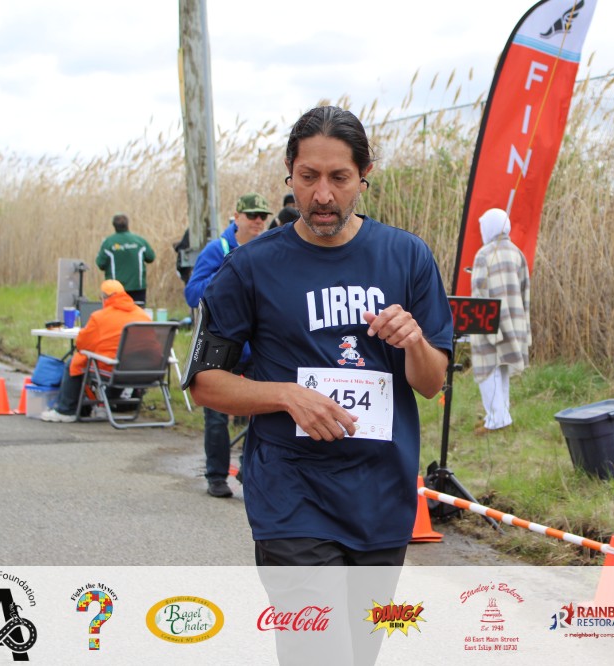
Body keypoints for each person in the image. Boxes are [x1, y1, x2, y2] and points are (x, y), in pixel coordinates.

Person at [185, 106, 452, 663]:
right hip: (291, 498)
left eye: (339, 177)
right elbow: (204, 384)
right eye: (308, 177)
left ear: (364, 174)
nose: (322, 195)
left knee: (358, 654)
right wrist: (285, 394)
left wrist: (415, 343)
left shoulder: (407, 257)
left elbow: (432, 383)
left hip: (380, 499)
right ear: (290, 172)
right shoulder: (250, 267)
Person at [184, 192, 272, 498]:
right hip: (222, 346)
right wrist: (230, 280)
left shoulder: (268, 249)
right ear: (236, 217)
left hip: (257, 348)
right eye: (252, 215)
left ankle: (249, 472)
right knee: (216, 416)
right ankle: (216, 476)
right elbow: (192, 293)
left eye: (263, 216)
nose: (258, 221)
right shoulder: (217, 249)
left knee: (263, 412)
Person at [41, 280, 151, 423]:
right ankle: (104, 405)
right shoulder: (142, 315)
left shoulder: (99, 317)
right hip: (145, 370)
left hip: (112, 369)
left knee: (74, 362)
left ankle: (66, 410)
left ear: (104, 298)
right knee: (117, 365)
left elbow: (82, 344)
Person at [470, 208, 531, 434]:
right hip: (514, 321)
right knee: (502, 368)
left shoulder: (484, 254)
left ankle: (496, 420)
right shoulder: (517, 253)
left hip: (489, 322)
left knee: (488, 369)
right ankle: (500, 415)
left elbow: (479, 292)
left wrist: (479, 327)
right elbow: (525, 290)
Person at [95, 213, 156, 303]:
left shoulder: (108, 243)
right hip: (137, 287)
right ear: (127, 224)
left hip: (115, 289)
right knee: (137, 310)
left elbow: (100, 264)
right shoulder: (140, 241)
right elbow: (151, 257)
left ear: (114, 226)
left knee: (117, 311)